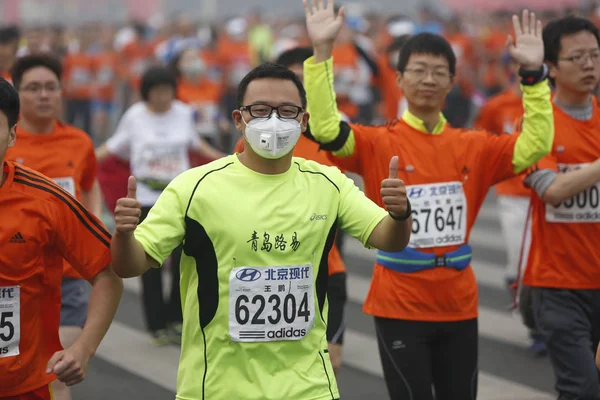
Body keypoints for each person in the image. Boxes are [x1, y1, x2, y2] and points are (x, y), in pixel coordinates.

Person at [110, 62, 412, 400]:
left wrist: (400, 214)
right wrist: (124, 234)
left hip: (308, 387)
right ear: (239, 119)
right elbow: (130, 264)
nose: (274, 121)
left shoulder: (329, 183)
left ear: (303, 120)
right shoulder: (194, 187)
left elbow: (389, 238)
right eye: (260, 110)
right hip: (218, 387)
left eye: (286, 111)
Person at [302, 1, 554, 399]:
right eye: (418, 70)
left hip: (459, 303)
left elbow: (535, 144)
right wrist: (321, 53)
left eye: (439, 72)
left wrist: (534, 76)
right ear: (399, 79)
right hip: (398, 303)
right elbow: (326, 128)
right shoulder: (376, 141)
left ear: (452, 82)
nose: (429, 79)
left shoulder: (474, 145)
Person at [0, 77, 123, 399]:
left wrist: (83, 349)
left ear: (12, 134)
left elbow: (107, 272)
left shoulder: (45, 199)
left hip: (22, 388)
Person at [233, 46, 348, 376]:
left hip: (326, 270)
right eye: (295, 78)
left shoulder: (332, 141)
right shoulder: (251, 144)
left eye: (306, 81)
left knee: (329, 365)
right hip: (267, 271)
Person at [96, 66, 224, 346]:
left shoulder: (182, 112)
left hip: (181, 198)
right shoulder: (134, 117)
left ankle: (176, 319)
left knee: (185, 261)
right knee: (149, 264)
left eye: (167, 90)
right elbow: (113, 147)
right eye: (157, 92)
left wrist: (231, 160)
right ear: (146, 94)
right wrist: (82, 160)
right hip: (146, 200)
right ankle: (156, 325)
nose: (163, 97)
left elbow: (198, 145)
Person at [522, 16, 600, 400]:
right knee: (582, 389)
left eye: (595, 56)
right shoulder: (539, 125)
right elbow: (552, 190)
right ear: (551, 67)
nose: (589, 65)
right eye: (577, 58)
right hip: (558, 287)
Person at [473, 58, 547, 356]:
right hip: (512, 194)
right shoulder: (496, 106)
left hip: (548, 195)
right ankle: (534, 323)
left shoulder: (548, 104)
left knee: (546, 262)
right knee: (520, 257)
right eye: (517, 66)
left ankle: (548, 322)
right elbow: (482, 138)